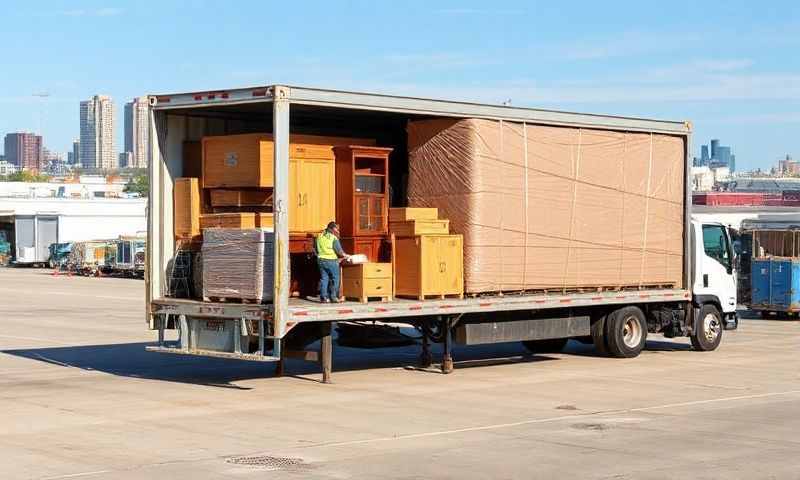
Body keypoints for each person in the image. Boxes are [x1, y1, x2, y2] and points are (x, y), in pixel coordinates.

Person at [314, 221, 350, 303]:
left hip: (321, 260)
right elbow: (339, 251)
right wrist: (345, 255)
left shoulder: (319, 236)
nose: (338, 230)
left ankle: (324, 298)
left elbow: (315, 248)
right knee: (335, 279)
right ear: (333, 228)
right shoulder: (333, 238)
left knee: (324, 278)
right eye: (337, 228)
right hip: (331, 261)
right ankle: (333, 297)